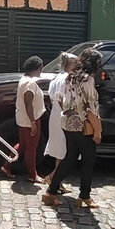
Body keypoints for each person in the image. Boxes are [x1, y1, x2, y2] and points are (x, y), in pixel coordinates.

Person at [43, 48, 103, 208]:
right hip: (83, 125)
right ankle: (84, 195)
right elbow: (89, 108)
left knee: (69, 158)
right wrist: (97, 130)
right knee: (88, 160)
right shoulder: (88, 80)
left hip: (68, 122)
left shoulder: (71, 77)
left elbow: (61, 99)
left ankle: (51, 191)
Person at [0, 56, 46, 183]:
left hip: (22, 117)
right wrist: (33, 122)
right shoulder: (30, 83)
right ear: (37, 68)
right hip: (30, 119)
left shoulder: (24, 79)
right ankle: (32, 174)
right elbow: (28, 103)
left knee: (23, 145)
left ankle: (6, 165)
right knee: (31, 148)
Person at [44, 52, 77, 190]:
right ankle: (53, 178)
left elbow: (52, 96)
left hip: (55, 115)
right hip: (65, 117)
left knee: (60, 150)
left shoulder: (56, 79)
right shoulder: (68, 79)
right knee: (66, 151)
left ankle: (57, 180)